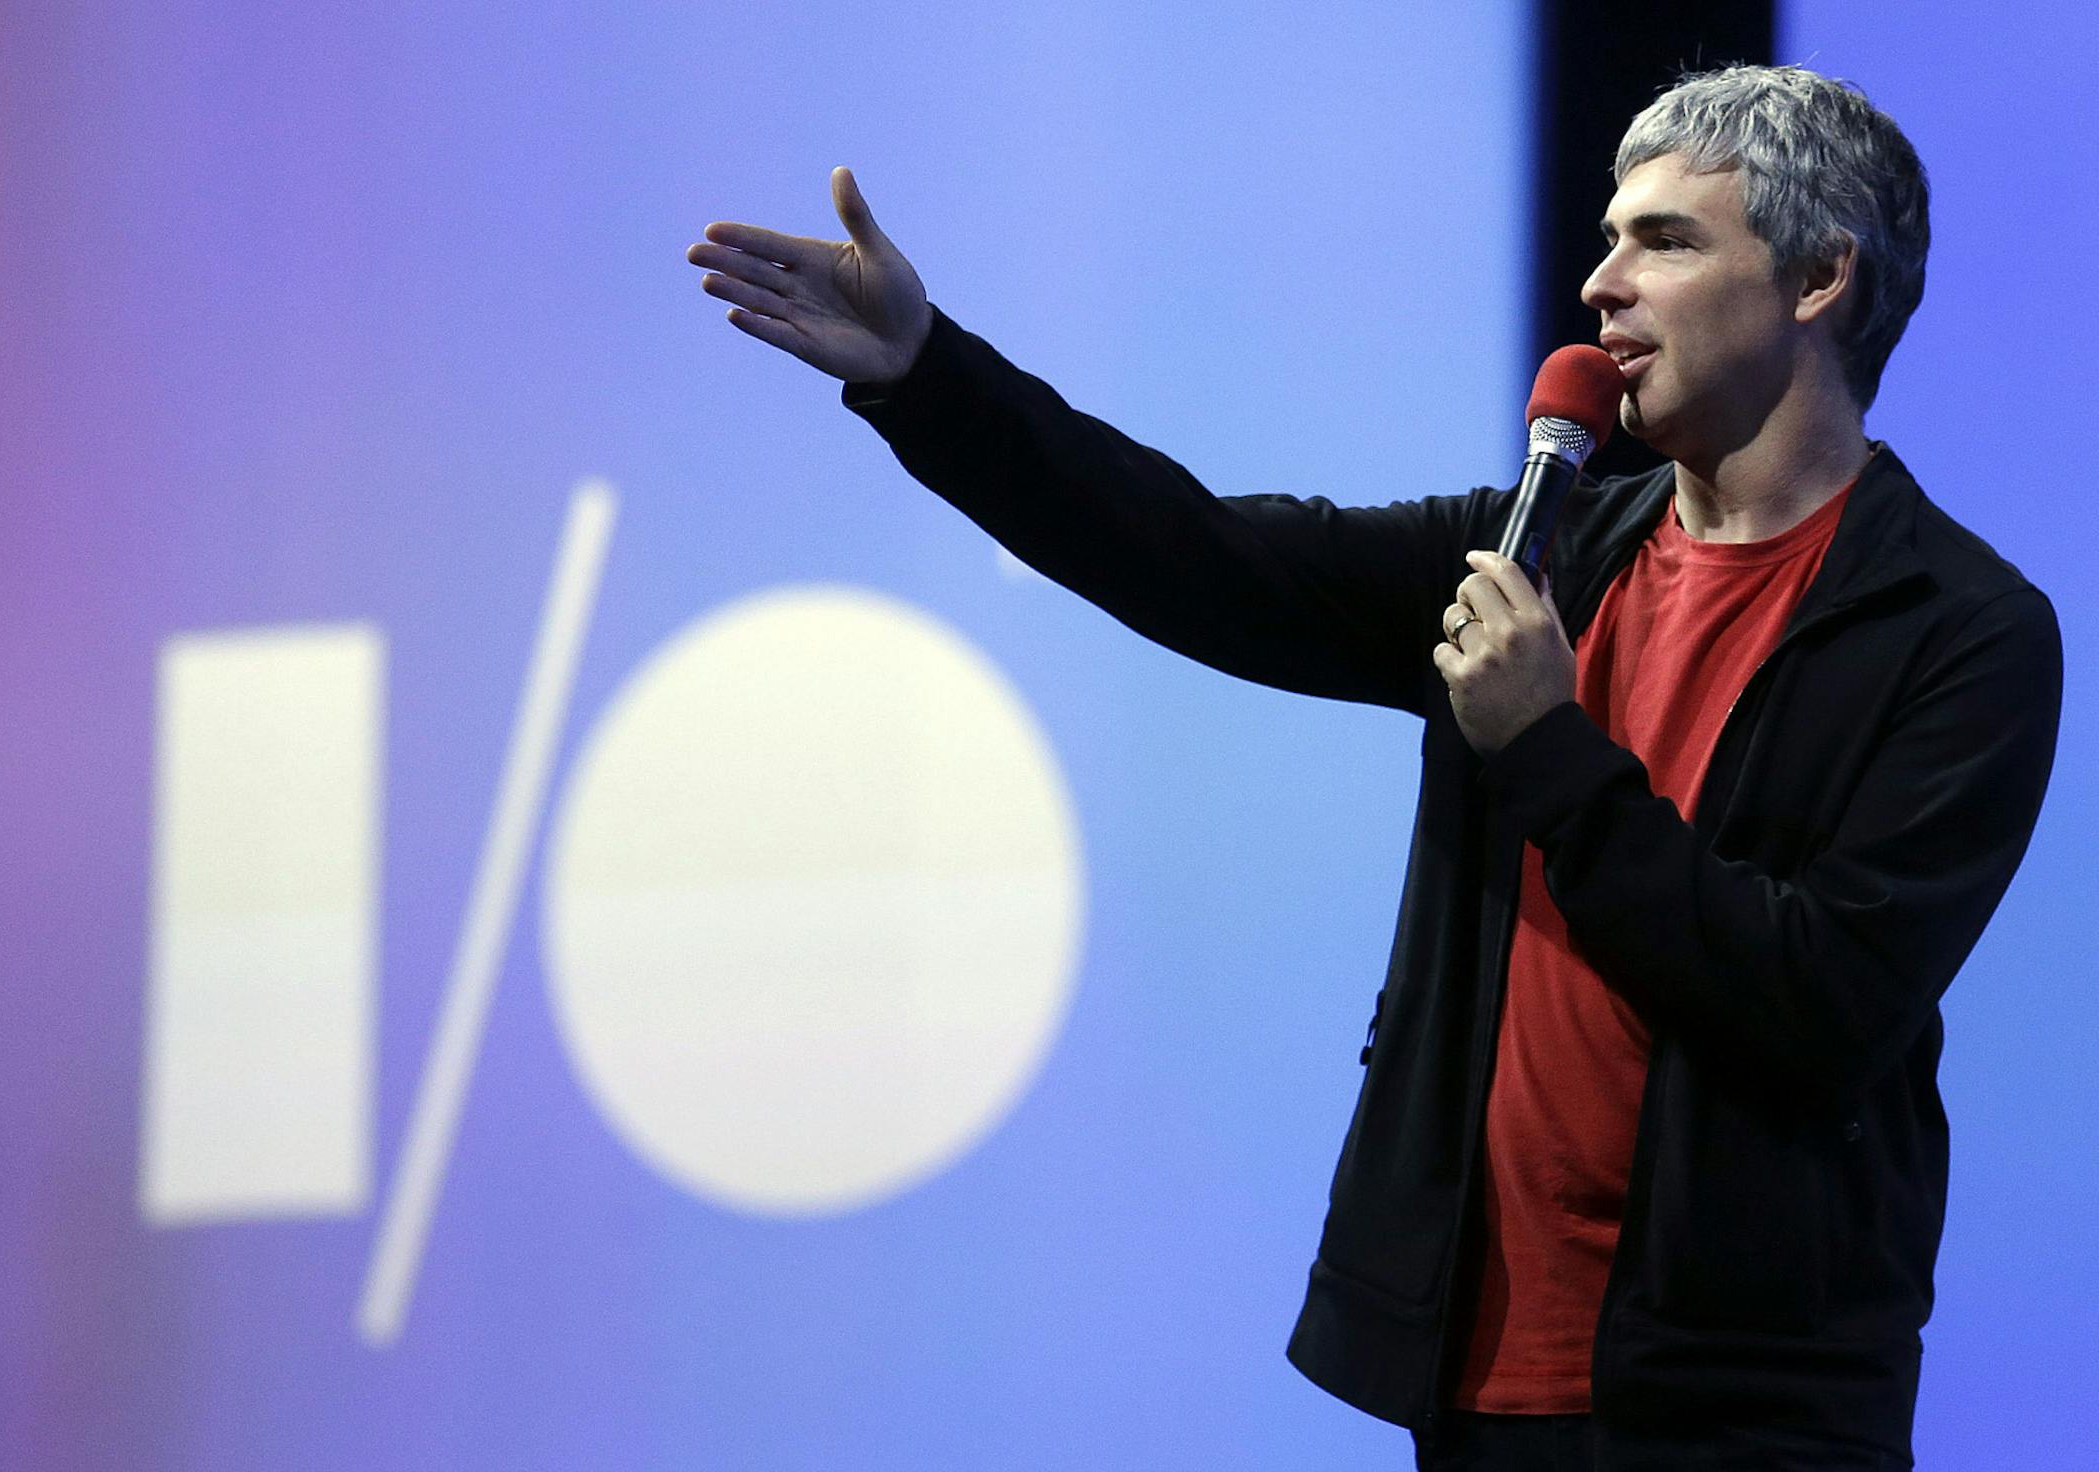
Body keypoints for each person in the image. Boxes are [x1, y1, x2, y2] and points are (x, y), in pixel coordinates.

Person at [685, 65, 2060, 1471]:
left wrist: (1546, 750)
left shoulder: (1958, 631)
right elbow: (1202, 559)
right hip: (1477, 1381)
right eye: (1605, 237)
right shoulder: (1544, 550)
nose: (1601, 285)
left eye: (1665, 240)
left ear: (1822, 278)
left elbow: (1820, 1005)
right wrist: (933, 381)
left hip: (1751, 1406)